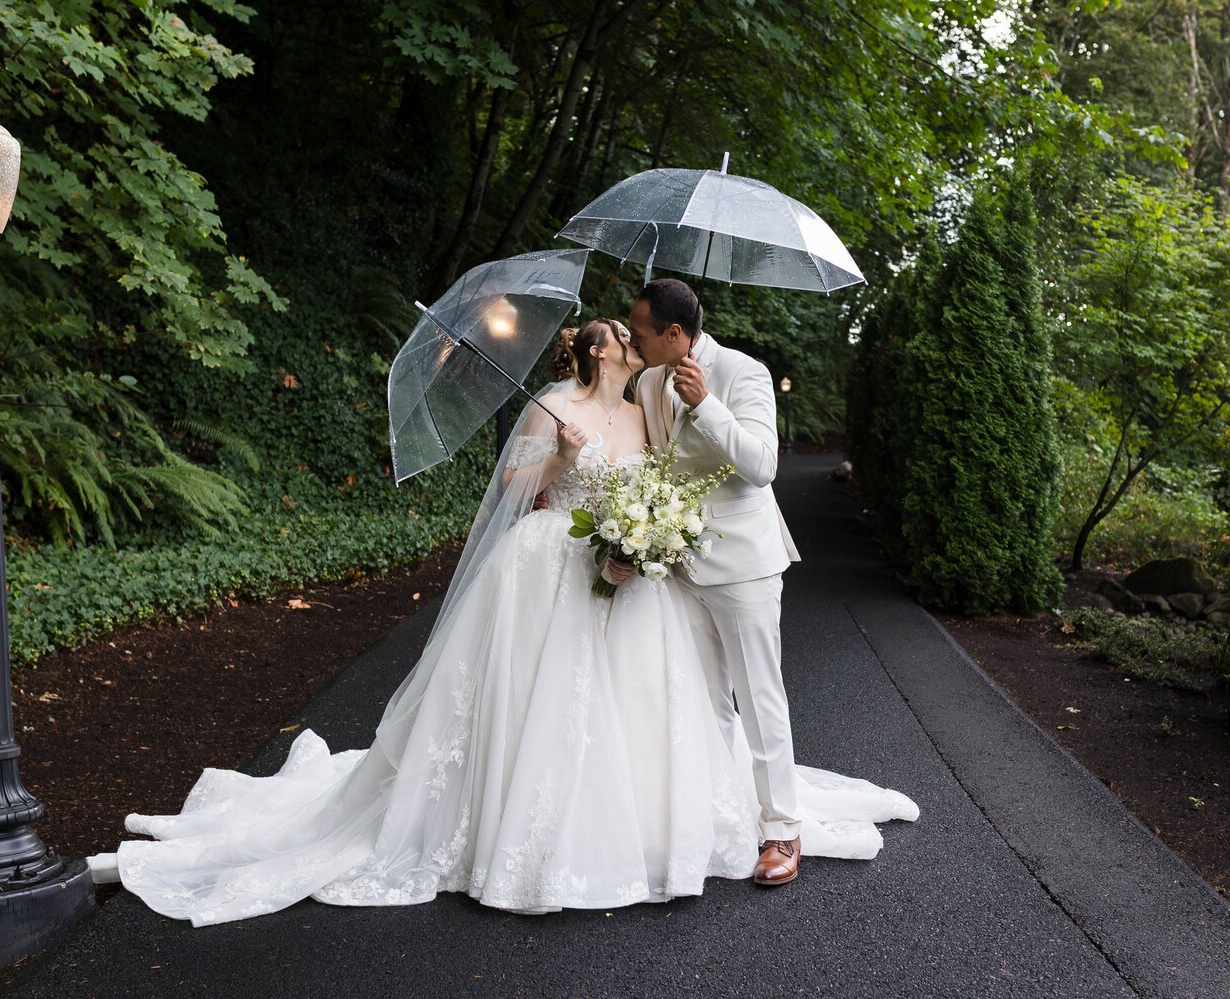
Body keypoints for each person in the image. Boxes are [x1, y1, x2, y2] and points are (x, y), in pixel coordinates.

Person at [87, 317, 915, 926]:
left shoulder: (652, 404)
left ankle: (684, 820)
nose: (626, 339)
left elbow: (675, 478)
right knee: (541, 694)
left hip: (636, 573)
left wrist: (643, 537)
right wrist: (559, 453)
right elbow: (523, 486)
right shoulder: (554, 406)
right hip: (553, 562)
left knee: (646, 701)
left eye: (632, 331)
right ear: (592, 352)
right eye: (613, 335)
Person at [624, 278, 808, 885]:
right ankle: (718, 816)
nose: (633, 339)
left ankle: (783, 830)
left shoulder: (744, 372)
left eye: (642, 332)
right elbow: (655, 464)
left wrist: (706, 404)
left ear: (675, 335)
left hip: (743, 564)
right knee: (701, 702)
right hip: (676, 563)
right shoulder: (649, 381)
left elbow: (762, 466)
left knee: (758, 697)